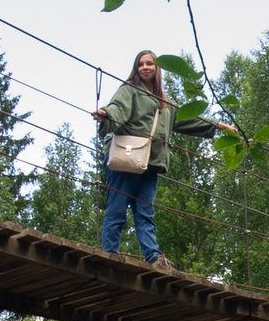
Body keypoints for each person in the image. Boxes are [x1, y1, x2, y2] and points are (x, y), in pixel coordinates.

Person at [90, 49, 217, 270]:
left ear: (157, 69)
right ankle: (109, 253)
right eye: (141, 64)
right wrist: (106, 114)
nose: (145, 67)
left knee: (145, 212)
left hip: (150, 164)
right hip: (126, 159)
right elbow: (118, 108)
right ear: (136, 68)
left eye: (150, 64)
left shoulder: (165, 103)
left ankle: (153, 256)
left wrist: (218, 126)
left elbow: (188, 118)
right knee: (117, 209)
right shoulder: (130, 90)